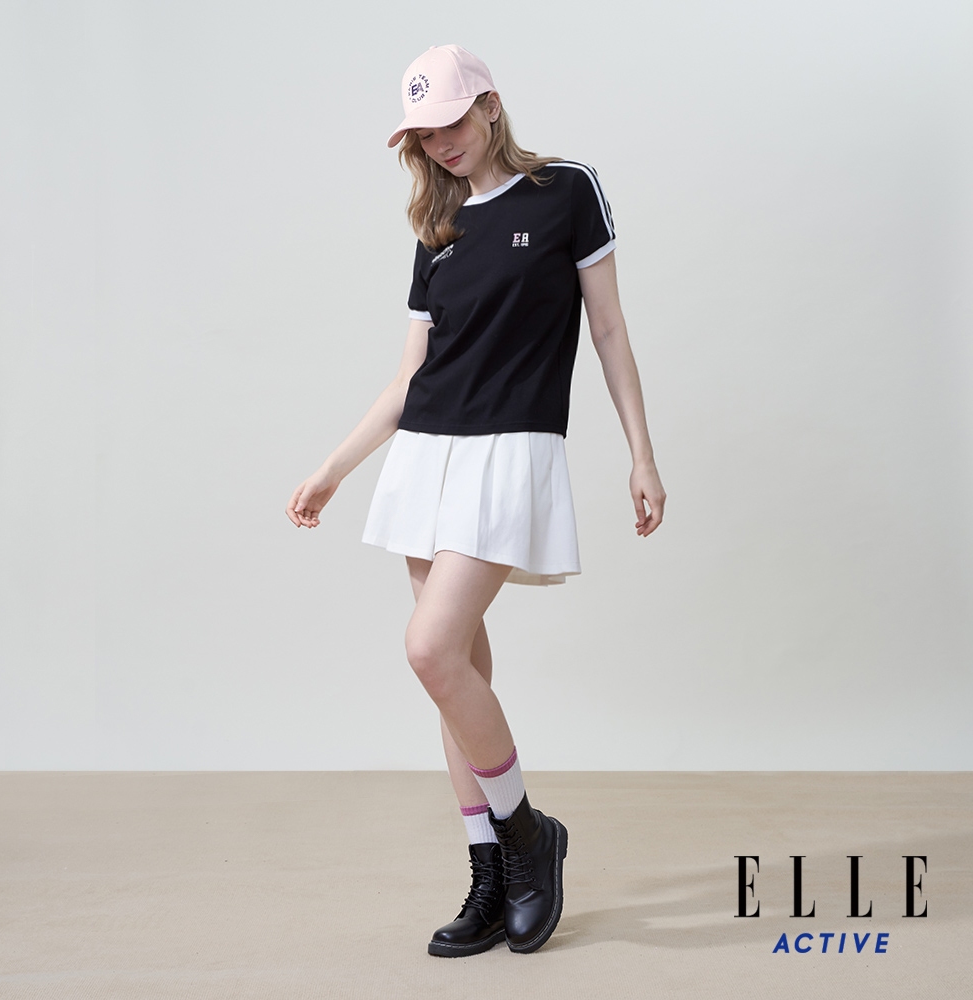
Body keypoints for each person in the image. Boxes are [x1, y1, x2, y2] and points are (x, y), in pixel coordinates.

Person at [285, 43, 666, 957]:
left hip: (510, 452)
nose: (441, 143)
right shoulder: (438, 226)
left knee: (429, 650)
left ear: (491, 105)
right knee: (456, 674)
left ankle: (531, 837)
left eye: (452, 121)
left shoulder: (566, 191)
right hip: (426, 458)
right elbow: (409, 379)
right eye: (423, 134)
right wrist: (336, 467)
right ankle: (490, 874)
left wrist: (642, 455)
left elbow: (609, 329)